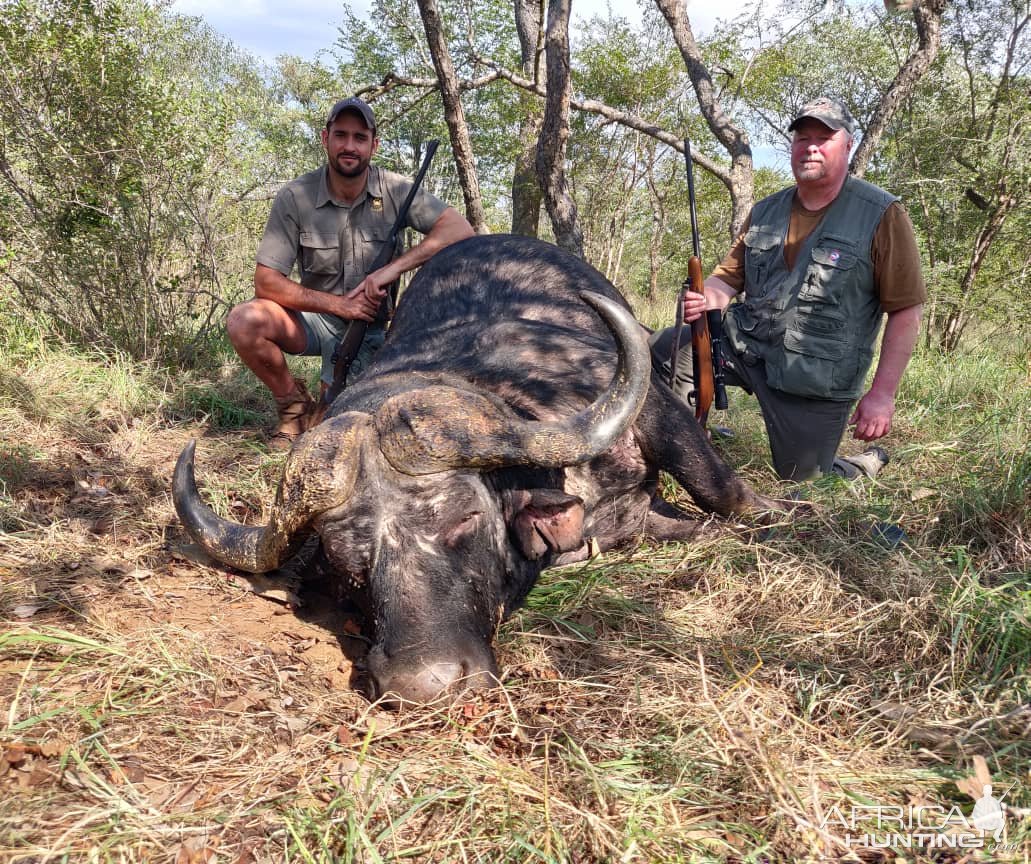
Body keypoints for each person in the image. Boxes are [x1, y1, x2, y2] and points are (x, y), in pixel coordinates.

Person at [651, 96, 926, 481]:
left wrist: (882, 396)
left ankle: (859, 466)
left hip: (812, 379)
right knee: (661, 350)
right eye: (802, 138)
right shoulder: (766, 210)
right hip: (745, 347)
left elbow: (905, 310)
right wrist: (704, 296)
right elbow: (727, 278)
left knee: (806, 487)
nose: (811, 146)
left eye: (824, 138)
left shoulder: (882, 214)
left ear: (848, 145)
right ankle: (687, 441)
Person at [228, 97, 475, 449]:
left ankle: (329, 399)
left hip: (379, 329)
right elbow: (266, 281)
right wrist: (338, 306)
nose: (349, 146)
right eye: (340, 135)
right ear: (325, 137)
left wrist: (389, 272)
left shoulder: (396, 190)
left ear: (373, 145)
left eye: (360, 138)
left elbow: (459, 229)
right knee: (244, 320)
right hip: (316, 320)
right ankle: (293, 408)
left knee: (349, 428)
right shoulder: (295, 196)